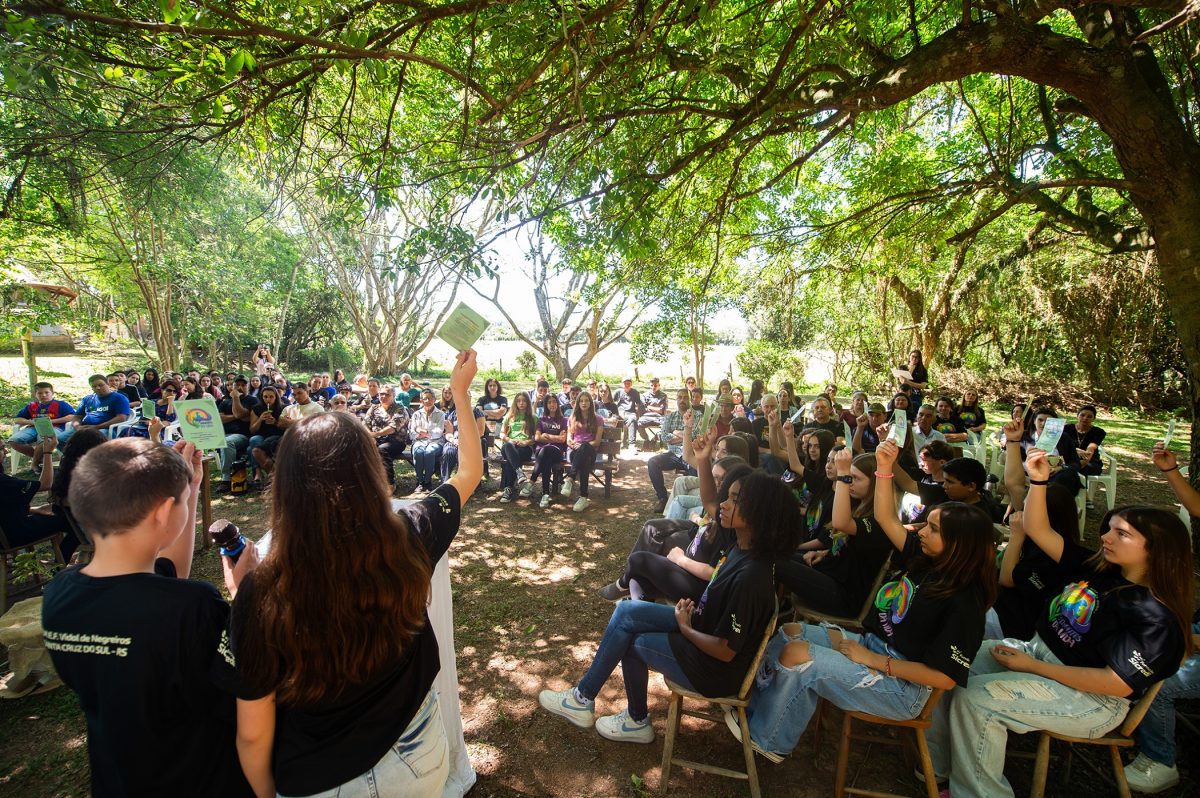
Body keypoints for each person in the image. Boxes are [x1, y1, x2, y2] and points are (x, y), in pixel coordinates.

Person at [231, 350, 483, 798]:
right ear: (370, 473)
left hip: (319, 776)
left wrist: (241, 595)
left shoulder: (262, 590)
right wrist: (460, 394)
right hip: (420, 755)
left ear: (286, 486)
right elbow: (469, 472)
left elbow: (252, 732)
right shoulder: (411, 533)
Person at [928, 452, 1194, 798]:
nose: (1106, 538)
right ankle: (939, 772)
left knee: (976, 700)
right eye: (1109, 530)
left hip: (1089, 699)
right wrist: (1038, 480)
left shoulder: (1156, 616)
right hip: (1036, 656)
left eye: (1122, 535)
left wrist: (1032, 666)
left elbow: (1114, 684)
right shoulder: (1097, 567)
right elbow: (1038, 529)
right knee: (946, 664)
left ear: (1155, 551)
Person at [740, 439, 997, 764]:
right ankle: (756, 710)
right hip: (873, 646)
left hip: (901, 687)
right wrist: (886, 468)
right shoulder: (927, 560)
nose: (920, 532)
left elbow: (944, 678)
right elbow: (887, 518)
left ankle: (767, 740)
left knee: (797, 654)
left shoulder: (965, 602)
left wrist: (875, 662)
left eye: (932, 529)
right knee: (789, 631)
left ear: (959, 545)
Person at [538, 432, 797, 745]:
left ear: (759, 515)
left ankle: (630, 718)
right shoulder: (742, 543)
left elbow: (726, 651)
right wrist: (702, 460)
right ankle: (585, 701)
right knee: (626, 610)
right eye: (728, 496)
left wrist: (686, 630)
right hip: (699, 627)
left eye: (735, 499)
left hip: (710, 667)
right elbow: (710, 501)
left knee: (629, 640)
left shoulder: (751, 576)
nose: (724, 503)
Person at [41, 438, 254, 797]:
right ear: (161, 512)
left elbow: (169, 571)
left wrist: (190, 486)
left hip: (117, 777)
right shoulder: (193, 605)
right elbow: (249, 680)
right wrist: (247, 595)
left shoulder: (60, 593)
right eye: (184, 503)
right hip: (196, 778)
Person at [0, 435, 75, 558]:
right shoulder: (3, 481)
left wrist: (33, 509)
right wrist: (47, 452)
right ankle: (59, 568)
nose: (6, 451)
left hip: (7, 531)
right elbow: (45, 484)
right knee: (71, 521)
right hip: (14, 534)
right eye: (2, 448)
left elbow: (5, 505)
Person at [647, 390, 699, 513]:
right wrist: (686, 434)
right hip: (674, 454)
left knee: (695, 469)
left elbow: (696, 436)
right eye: (680, 397)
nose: (682, 400)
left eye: (685, 398)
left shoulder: (698, 416)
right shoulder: (670, 417)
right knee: (653, 462)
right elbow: (664, 437)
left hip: (690, 454)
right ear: (676, 399)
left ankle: (690, 501)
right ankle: (662, 497)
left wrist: (675, 432)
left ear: (690, 400)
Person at [7, 381, 75, 457]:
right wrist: (32, 422)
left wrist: (50, 421)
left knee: (44, 440)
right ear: (35, 394)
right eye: (40, 393)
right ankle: (40, 460)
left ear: (52, 393)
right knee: (13, 441)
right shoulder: (32, 406)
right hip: (33, 428)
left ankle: (36, 464)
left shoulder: (61, 404)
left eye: (47, 392)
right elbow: (18, 419)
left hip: (54, 427)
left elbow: (71, 417)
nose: (43, 395)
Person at [215, 377, 256, 493]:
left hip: (242, 435)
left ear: (248, 387)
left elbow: (239, 413)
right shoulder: (224, 402)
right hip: (225, 434)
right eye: (237, 385)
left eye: (243, 385)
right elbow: (220, 419)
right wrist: (238, 416)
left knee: (227, 442)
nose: (240, 387)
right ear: (231, 387)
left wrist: (236, 398)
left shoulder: (252, 400)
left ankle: (226, 479)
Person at [563, 391, 603, 512]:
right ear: (578, 403)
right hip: (574, 452)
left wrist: (582, 446)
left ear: (591, 403)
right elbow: (569, 439)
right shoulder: (572, 418)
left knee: (585, 448)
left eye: (586, 401)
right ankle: (583, 497)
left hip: (590, 451)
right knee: (583, 460)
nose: (584, 403)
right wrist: (572, 444)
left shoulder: (598, 419)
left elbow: (596, 442)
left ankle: (570, 478)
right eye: (581, 401)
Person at [364, 385, 410, 488]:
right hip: (374, 440)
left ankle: (389, 483)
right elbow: (365, 424)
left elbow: (392, 428)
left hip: (395, 441)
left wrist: (375, 434)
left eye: (387, 394)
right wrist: (371, 437)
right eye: (381, 394)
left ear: (393, 396)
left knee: (381, 450)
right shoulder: (374, 408)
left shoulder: (400, 409)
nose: (383, 396)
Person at [441, 388, 485, 488]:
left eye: (467, 397)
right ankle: (445, 484)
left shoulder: (478, 413)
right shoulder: (453, 414)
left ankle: (468, 485)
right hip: (454, 442)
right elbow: (448, 432)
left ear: (470, 398)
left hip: (471, 443)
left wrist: (466, 442)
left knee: (467, 454)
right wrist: (453, 440)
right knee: (448, 451)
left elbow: (480, 432)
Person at [498, 392, 537, 502]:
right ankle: (519, 471)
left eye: (524, 401)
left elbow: (536, 437)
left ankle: (508, 490)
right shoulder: (509, 416)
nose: (521, 403)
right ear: (515, 402)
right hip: (509, 446)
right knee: (509, 447)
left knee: (511, 460)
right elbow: (502, 434)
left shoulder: (533, 418)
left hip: (525, 448)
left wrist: (526, 442)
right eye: (519, 401)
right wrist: (509, 440)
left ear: (528, 403)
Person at [532, 393, 569, 507]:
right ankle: (546, 494)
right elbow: (537, 437)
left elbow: (563, 439)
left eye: (554, 401)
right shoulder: (541, 420)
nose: (552, 404)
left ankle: (532, 480)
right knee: (546, 459)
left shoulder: (563, 420)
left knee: (547, 450)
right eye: (549, 402)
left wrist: (546, 435)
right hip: (541, 452)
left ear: (558, 404)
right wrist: (555, 438)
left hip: (557, 452)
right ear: (545, 405)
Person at [68, 374, 131, 439]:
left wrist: (97, 427)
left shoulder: (119, 398)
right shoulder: (87, 399)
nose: (98, 388)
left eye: (100, 385)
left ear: (108, 384)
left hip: (106, 429)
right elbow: (77, 416)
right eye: (94, 386)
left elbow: (121, 418)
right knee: (61, 438)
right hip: (84, 428)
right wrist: (77, 427)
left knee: (91, 440)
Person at [409, 388, 448, 493]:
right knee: (418, 452)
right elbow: (412, 433)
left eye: (430, 398)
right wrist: (420, 434)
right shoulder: (416, 414)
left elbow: (438, 432)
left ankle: (428, 481)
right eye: (425, 398)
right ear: (421, 400)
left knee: (429, 452)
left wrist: (421, 431)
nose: (427, 401)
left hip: (436, 442)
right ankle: (420, 482)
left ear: (434, 399)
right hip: (419, 441)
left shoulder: (440, 414)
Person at [248, 386, 287, 484]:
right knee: (254, 440)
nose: (268, 400)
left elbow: (285, 428)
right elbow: (252, 429)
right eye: (265, 397)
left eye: (271, 397)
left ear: (276, 397)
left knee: (251, 449)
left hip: (276, 435)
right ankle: (258, 473)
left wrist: (275, 422)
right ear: (261, 397)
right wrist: (260, 419)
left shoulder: (283, 408)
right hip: (260, 435)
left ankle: (264, 475)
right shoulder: (257, 408)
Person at [1066, 404, 1107, 477]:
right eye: (1082, 415)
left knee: (1072, 470)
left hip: (1091, 461)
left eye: (1089, 416)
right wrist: (1075, 450)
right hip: (1069, 458)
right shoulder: (1066, 429)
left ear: (1093, 419)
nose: (1085, 418)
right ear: (1077, 416)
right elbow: (1061, 446)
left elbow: (1090, 449)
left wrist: (1079, 465)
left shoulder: (1098, 432)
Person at [614, 377, 644, 448]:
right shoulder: (618, 392)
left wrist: (638, 415)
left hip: (631, 412)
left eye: (628, 383)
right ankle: (615, 441)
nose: (627, 385)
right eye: (625, 383)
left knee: (633, 419)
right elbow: (612, 401)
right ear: (622, 384)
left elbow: (638, 405)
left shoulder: (635, 392)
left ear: (631, 384)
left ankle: (632, 444)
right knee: (615, 419)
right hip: (620, 412)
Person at [637, 377, 668, 446]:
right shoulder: (645, 395)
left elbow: (661, 410)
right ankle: (646, 439)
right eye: (652, 385)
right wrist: (656, 409)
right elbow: (643, 409)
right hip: (646, 417)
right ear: (649, 386)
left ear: (659, 386)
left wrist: (649, 407)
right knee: (638, 424)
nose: (653, 387)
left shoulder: (663, 396)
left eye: (655, 385)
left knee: (666, 426)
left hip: (659, 417)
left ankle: (655, 438)